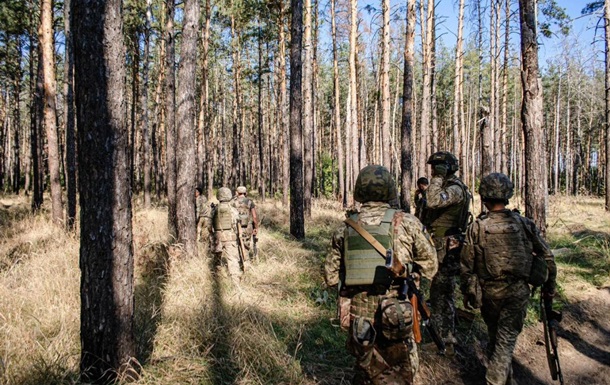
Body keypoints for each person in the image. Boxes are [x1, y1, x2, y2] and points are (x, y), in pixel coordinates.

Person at [325, 165, 438, 385]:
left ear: (359, 191)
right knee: (402, 372)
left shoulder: (345, 228)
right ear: (389, 190)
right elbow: (431, 267)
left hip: (360, 317)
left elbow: (330, 276)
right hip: (398, 313)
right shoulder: (407, 223)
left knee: (366, 372)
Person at [460, 173, 557, 385]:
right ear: (507, 195)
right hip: (516, 293)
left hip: (489, 294)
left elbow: (466, 266)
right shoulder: (524, 224)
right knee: (502, 342)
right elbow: (547, 256)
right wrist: (550, 287)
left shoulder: (476, 227)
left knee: (498, 340)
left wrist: (470, 292)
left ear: (484, 197)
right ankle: (495, 380)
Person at [420, 151, 471, 355]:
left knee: (444, 292)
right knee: (438, 293)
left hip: (448, 246)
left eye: (437, 168)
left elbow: (432, 201)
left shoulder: (455, 189)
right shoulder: (449, 187)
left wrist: (437, 178)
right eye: (433, 169)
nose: (433, 171)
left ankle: (446, 340)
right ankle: (441, 337)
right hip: (439, 243)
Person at [211, 187, 242, 285]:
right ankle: (235, 282)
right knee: (232, 259)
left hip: (217, 237)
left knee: (217, 259)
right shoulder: (233, 210)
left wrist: (213, 234)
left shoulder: (214, 210)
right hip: (230, 237)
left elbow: (208, 225)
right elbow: (237, 224)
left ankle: (217, 280)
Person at [231, 186, 259, 255]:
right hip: (247, 227)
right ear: (245, 193)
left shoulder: (233, 202)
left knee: (236, 244)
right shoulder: (250, 202)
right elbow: (254, 217)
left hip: (236, 227)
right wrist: (256, 227)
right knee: (246, 244)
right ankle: (246, 261)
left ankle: (238, 261)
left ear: (237, 193)